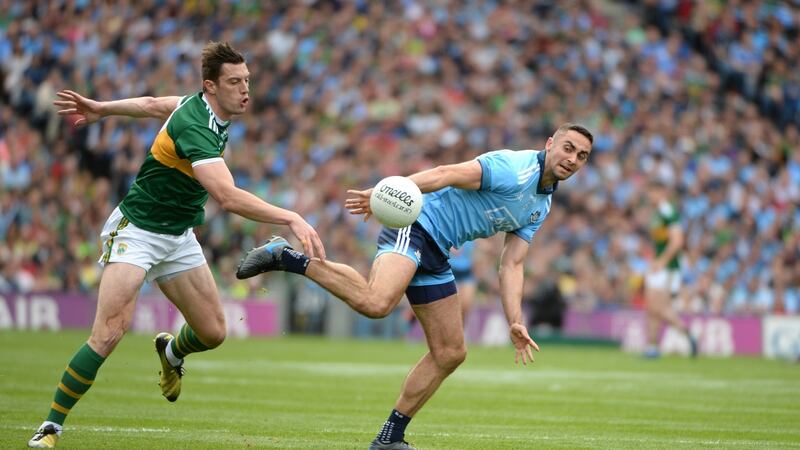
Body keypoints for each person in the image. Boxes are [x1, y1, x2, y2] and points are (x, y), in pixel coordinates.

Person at [27, 41, 326, 449]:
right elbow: (227, 196)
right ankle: (50, 427)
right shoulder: (195, 126)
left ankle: (171, 354)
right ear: (211, 86)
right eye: (235, 82)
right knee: (110, 332)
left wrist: (103, 107)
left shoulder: (204, 107)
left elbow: (153, 103)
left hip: (178, 235)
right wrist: (290, 216)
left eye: (247, 81)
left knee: (214, 331)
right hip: (138, 230)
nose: (245, 90)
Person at [237, 123, 594, 450]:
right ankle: (286, 256)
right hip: (417, 224)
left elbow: (512, 263)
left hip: (438, 249)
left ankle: (390, 438)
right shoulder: (513, 168)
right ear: (550, 144)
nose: (572, 159)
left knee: (451, 351)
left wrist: (515, 318)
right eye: (568, 148)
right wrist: (385, 193)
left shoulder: (541, 205)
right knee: (377, 303)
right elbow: (445, 174)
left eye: (581, 156)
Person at [642, 179, 697, 358]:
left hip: (668, 267)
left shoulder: (668, 211)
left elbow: (677, 241)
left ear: (662, 192)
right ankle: (652, 347)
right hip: (659, 265)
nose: (650, 196)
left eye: (653, 192)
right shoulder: (657, 212)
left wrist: (662, 262)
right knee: (652, 308)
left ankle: (685, 331)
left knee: (658, 308)